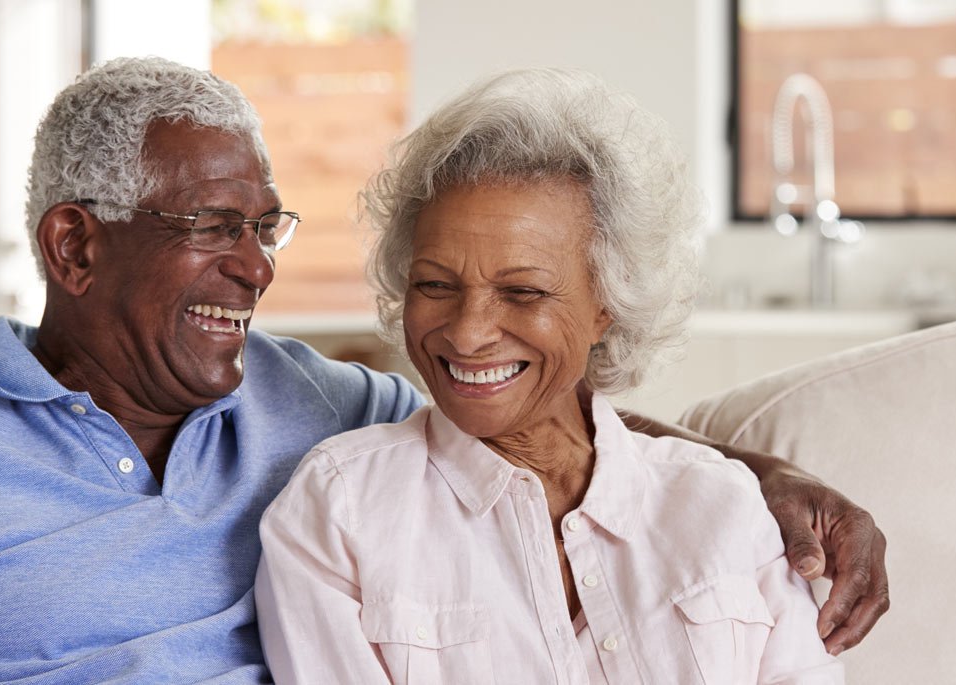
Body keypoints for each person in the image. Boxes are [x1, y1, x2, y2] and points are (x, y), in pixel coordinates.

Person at [0, 57, 885, 683]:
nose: (255, 267)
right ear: (75, 245)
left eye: (264, 226)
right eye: (213, 226)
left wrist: (763, 476)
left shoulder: (312, 402)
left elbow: (524, 414)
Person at [254, 68, 847, 684]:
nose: (468, 333)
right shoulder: (341, 509)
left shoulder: (722, 504)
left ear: (606, 305)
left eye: (523, 292)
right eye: (435, 285)